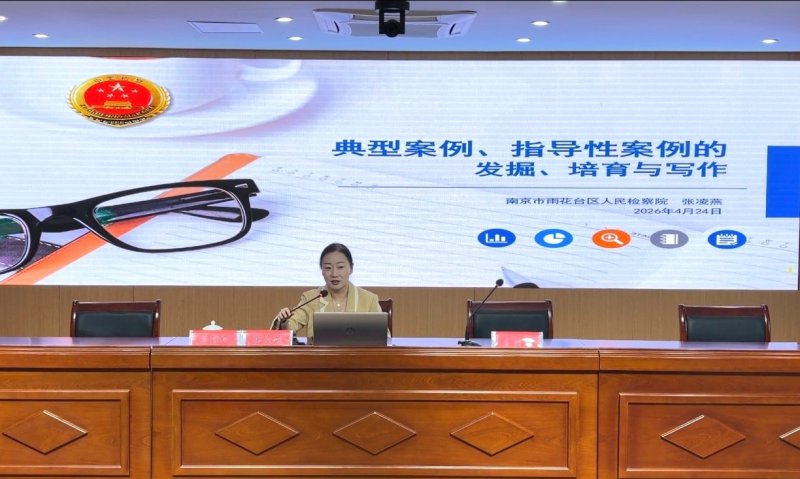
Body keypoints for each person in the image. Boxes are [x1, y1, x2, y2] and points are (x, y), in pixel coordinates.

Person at [272, 243, 381, 339]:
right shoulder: (311, 298)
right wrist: (283, 321)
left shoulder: (369, 299)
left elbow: (383, 337)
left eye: (340, 267)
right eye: (328, 268)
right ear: (322, 270)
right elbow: (290, 326)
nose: (334, 274)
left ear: (351, 268)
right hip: (320, 355)